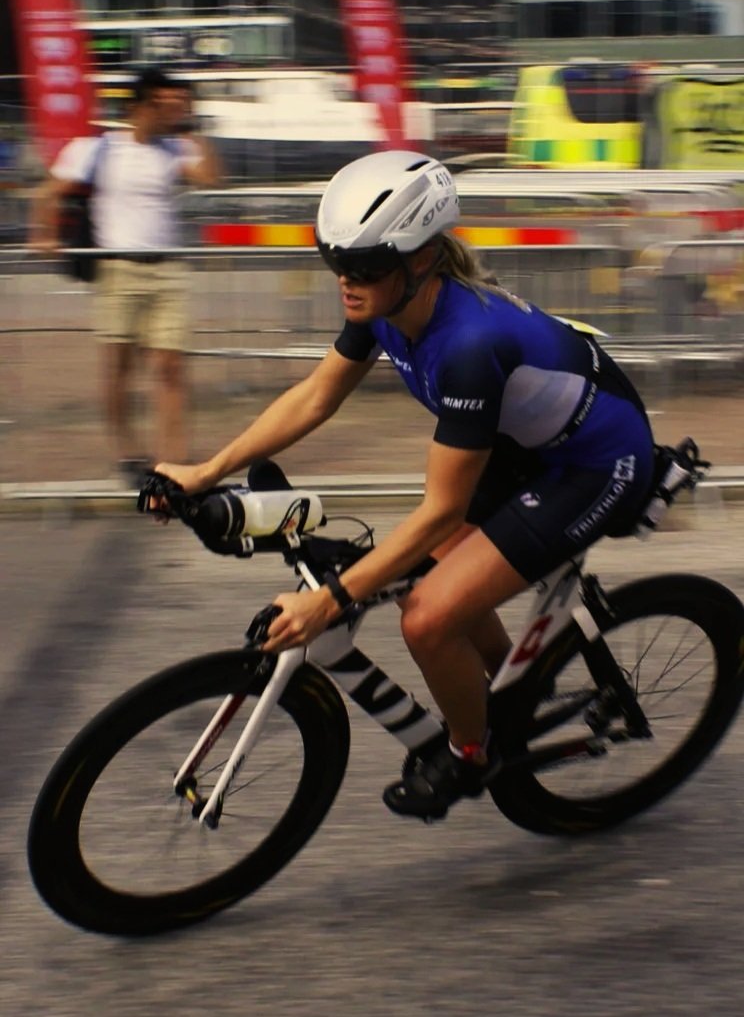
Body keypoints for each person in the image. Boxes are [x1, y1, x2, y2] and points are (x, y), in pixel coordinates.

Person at [153, 149, 656, 822]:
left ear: (422, 260)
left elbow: (442, 509)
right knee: (422, 580)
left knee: (426, 614)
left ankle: (474, 751)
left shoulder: (468, 345)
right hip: (524, 449)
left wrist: (328, 602)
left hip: (597, 463)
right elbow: (315, 396)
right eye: (336, 263)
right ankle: (515, 695)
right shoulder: (385, 304)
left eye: (364, 267)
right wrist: (204, 470)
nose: (346, 282)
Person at [30, 67, 220, 486]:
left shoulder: (174, 147)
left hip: (167, 268)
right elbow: (48, 192)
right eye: (166, 102)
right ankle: (127, 452)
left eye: (180, 103)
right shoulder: (97, 149)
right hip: (118, 269)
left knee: (170, 366)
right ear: (141, 105)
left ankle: (173, 460)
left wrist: (194, 126)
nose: (175, 109)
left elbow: (209, 176)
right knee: (119, 369)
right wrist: (43, 234)